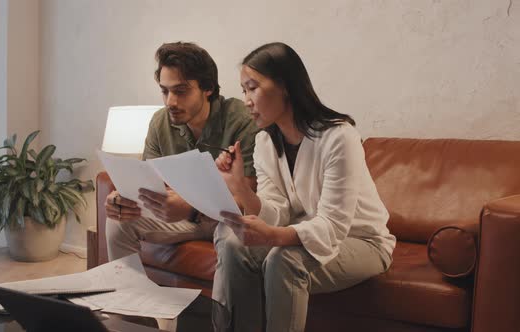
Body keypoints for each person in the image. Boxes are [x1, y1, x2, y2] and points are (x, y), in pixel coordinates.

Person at [212, 42, 396, 332]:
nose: (246, 100)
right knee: (234, 244)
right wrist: (241, 189)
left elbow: (333, 226)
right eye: (244, 90)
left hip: (362, 241)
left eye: (252, 88)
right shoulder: (264, 142)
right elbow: (277, 210)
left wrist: (273, 236)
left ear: (285, 85)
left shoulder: (338, 137)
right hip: (306, 233)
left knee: (285, 260)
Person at [105, 42, 258, 260]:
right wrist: (124, 199)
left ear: (208, 88)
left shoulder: (241, 120)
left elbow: (245, 197)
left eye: (181, 91)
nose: (171, 102)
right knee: (118, 222)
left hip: (227, 219)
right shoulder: (160, 122)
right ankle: (128, 292)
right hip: (182, 218)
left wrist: (190, 207)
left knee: (232, 230)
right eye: (165, 91)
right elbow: (152, 185)